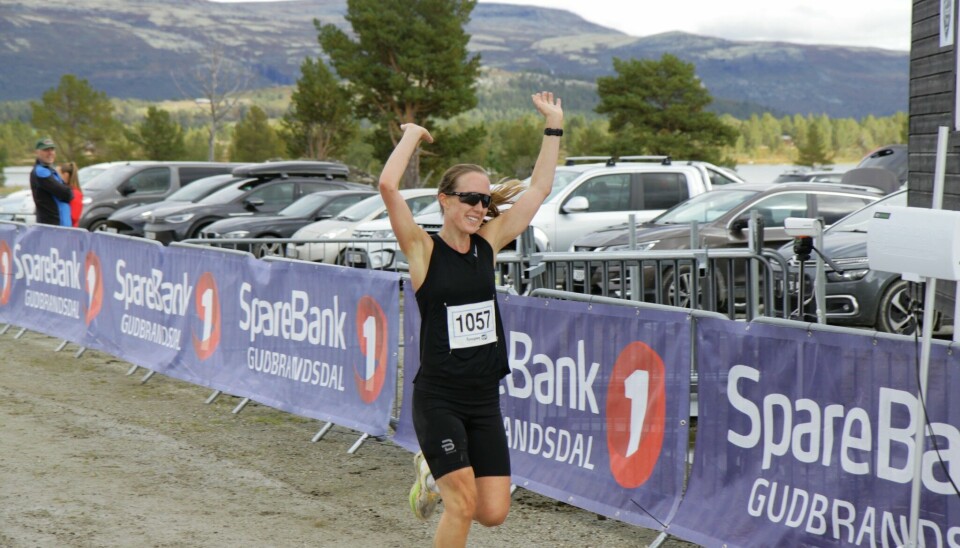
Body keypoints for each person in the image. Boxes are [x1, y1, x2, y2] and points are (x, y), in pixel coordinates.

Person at [379, 91, 562, 547]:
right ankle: (440, 474)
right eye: (471, 199)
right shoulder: (423, 249)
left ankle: (430, 471)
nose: (480, 207)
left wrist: (553, 124)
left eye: (485, 200)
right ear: (445, 200)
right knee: (461, 505)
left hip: (483, 397)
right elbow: (387, 187)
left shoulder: (489, 243)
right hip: (439, 397)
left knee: (493, 512)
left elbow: (538, 189)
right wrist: (412, 137)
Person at [29, 137, 73, 226]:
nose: (50, 153)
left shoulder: (50, 170)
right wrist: (68, 192)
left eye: (52, 149)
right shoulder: (41, 172)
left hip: (62, 227)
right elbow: (67, 193)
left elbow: (67, 192)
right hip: (52, 227)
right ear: (37, 152)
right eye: (46, 150)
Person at [58, 162, 83, 227]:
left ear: (66, 175)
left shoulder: (75, 193)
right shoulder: (71, 191)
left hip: (69, 232)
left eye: (58, 174)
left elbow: (74, 217)